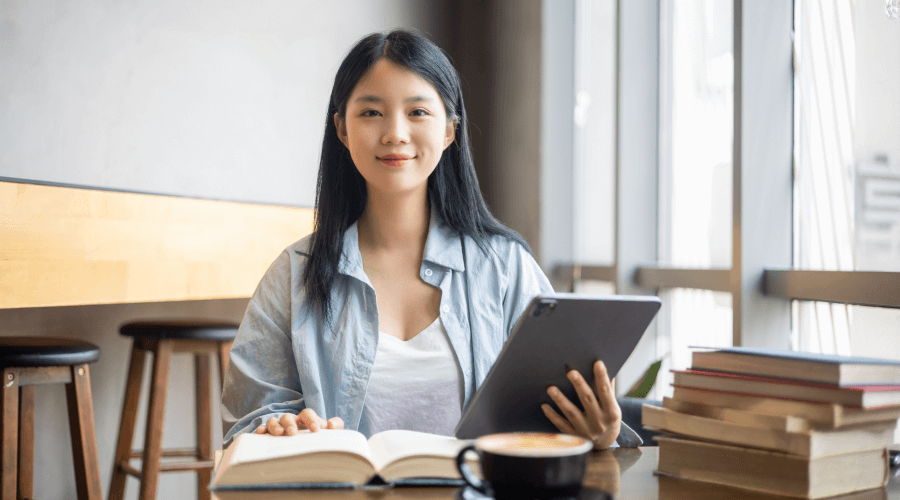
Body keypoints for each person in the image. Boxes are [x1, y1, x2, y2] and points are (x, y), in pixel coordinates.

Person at [221, 29, 641, 450]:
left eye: (418, 112)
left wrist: (600, 435)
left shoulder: (506, 267)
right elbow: (251, 419)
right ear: (342, 129)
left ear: (449, 130)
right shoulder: (294, 274)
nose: (395, 133)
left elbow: (551, 419)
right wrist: (279, 428)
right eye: (371, 112)